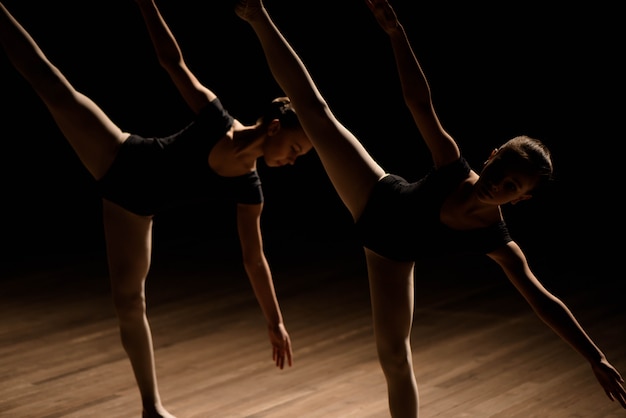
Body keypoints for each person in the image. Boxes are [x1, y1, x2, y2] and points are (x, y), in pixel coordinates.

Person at [235, 0, 626, 416]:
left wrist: (595, 357)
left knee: (395, 359)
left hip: (391, 258)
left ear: (521, 199)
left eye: (511, 187)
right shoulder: (453, 166)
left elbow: (543, 300)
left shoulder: (497, 240)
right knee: (313, 110)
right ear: (491, 155)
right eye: (498, 169)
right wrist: (396, 34)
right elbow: (419, 103)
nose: (497, 184)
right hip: (375, 195)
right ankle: (257, 14)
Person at [0, 0, 312, 416]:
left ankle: (152, 407)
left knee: (129, 302)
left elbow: (255, 260)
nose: (291, 162)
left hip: (135, 207)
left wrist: (274, 322)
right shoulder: (216, 118)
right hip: (118, 154)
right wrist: (147, 5)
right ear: (274, 127)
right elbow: (172, 61)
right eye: (294, 150)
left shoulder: (249, 186)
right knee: (50, 82)